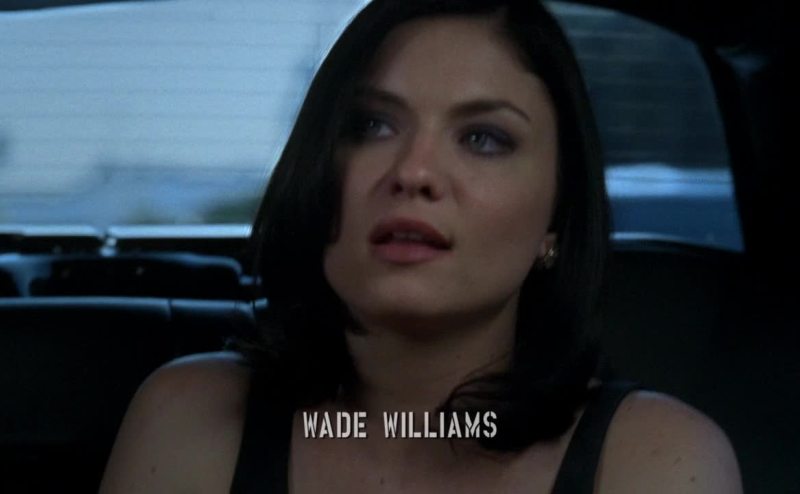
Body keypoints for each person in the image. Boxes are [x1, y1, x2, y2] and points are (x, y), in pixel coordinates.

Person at [100, 0, 743, 492]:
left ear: (556, 219)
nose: (414, 172)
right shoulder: (189, 421)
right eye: (371, 125)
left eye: (483, 138)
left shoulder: (659, 461)